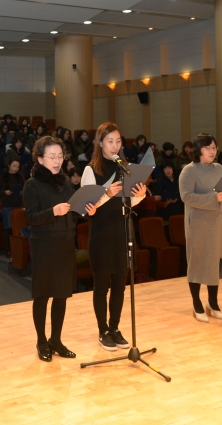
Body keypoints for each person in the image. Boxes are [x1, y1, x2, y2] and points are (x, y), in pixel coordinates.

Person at [24, 135, 96, 361]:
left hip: (66, 244)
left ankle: (56, 339)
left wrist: (87, 210)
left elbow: (73, 211)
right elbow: (31, 217)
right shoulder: (32, 184)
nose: (57, 161)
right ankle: (41, 341)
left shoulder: (65, 183)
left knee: (62, 295)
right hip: (44, 246)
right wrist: (52, 212)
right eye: (52, 157)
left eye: (60, 156)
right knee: (43, 295)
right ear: (40, 159)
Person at [80, 122, 146, 351]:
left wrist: (141, 196)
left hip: (122, 231)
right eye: (110, 141)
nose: (115, 146)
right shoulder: (91, 170)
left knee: (120, 285)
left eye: (118, 141)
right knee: (102, 286)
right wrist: (107, 194)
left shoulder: (124, 167)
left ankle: (115, 328)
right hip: (101, 233)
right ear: (100, 143)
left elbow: (129, 202)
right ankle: (103, 331)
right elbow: (87, 208)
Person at [179, 134, 222, 322]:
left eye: (214, 147)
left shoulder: (219, 168)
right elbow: (186, 196)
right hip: (198, 223)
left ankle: (213, 303)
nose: (212, 151)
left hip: (217, 222)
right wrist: (213, 198)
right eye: (208, 148)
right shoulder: (188, 171)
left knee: (215, 261)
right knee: (198, 262)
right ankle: (196, 303)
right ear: (198, 150)